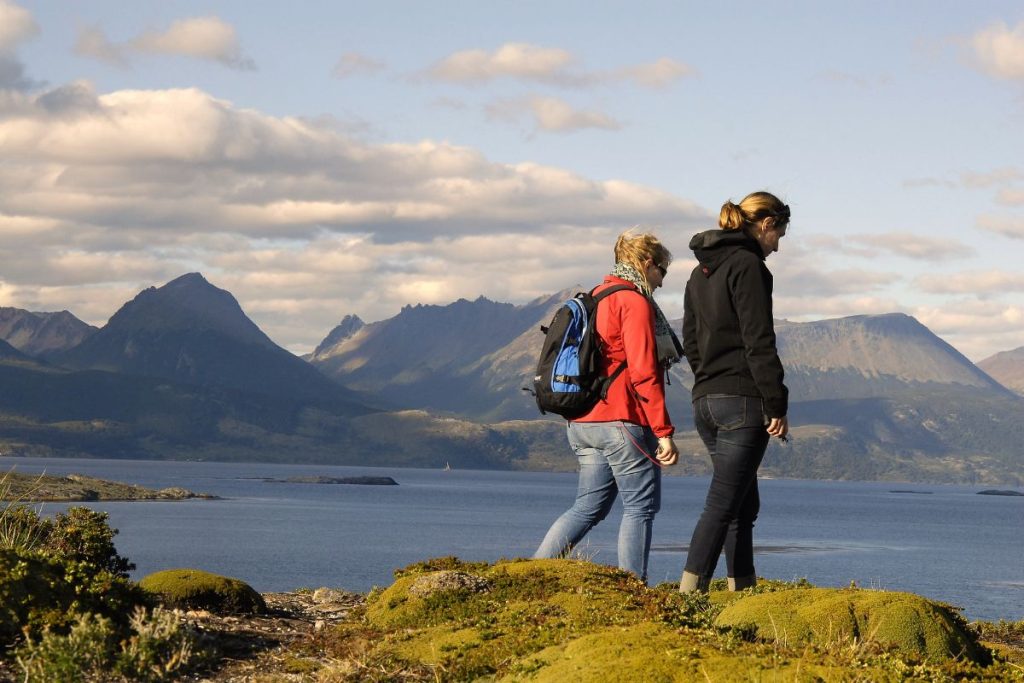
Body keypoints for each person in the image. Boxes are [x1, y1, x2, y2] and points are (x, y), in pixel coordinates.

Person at [534, 230, 680, 583]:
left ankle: (531, 573)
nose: (661, 282)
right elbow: (645, 372)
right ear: (647, 264)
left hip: (582, 421)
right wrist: (663, 432)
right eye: (662, 271)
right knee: (640, 507)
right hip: (621, 421)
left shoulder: (595, 297)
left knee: (587, 508)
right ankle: (635, 589)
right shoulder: (633, 302)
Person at [679, 191, 790, 593]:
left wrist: (707, 379)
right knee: (724, 505)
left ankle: (742, 590)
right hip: (743, 403)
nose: (777, 246)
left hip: (705, 401)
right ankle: (687, 599)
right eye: (778, 234)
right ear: (764, 225)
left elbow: (690, 340)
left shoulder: (698, 274)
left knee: (743, 504)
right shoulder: (749, 268)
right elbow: (759, 341)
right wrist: (776, 402)